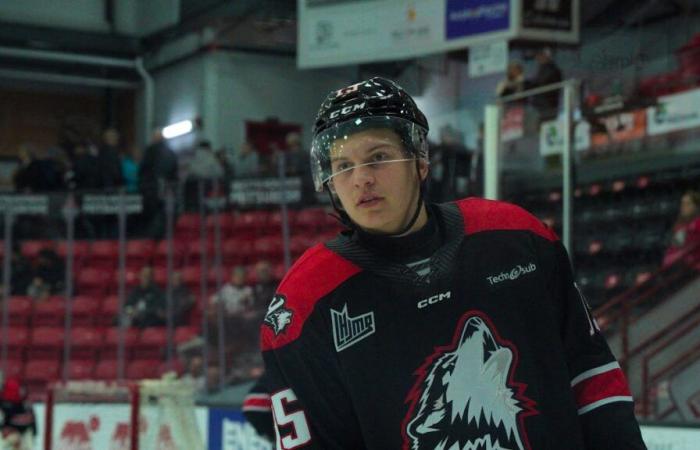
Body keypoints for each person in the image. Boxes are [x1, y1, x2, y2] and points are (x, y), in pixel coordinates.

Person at [260, 77, 646, 449]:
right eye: (343, 166)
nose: (361, 179)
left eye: (378, 158)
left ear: (420, 161)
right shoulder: (304, 305)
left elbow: (591, 377)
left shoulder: (515, 238)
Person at [663, 190, 700, 268]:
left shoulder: (698, 224)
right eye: (682, 203)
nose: (683, 207)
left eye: (688, 204)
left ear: (696, 206)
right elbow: (673, 250)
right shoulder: (680, 227)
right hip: (683, 270)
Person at [527, 48, 563, 120]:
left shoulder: (551, 69)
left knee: (547, 123)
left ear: (546, 56)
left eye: (540, 56)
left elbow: (543, 82)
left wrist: (530, 84)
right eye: (537, 57)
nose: (538, 59)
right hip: (540, 106)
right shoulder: (542, 68)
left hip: (548, 105)